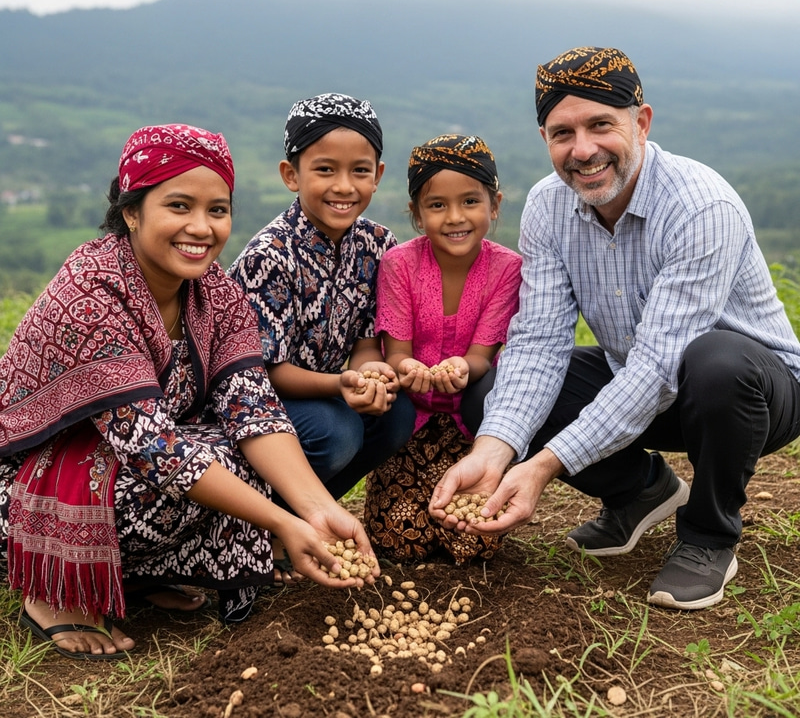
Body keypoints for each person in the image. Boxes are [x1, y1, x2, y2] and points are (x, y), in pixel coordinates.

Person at [430, 46, 800, 610]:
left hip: (749, 396)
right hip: (641, 382)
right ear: (544, 139)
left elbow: (660, 367)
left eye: (601, 125)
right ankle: (640, 492)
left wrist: (543, 467)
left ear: (641, 123)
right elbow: (539, 343)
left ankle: (708, 536)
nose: (583, 150)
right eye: (563, 133)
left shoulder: (700, 207)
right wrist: (494, 450)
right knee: (491, 390)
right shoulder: (548, 206)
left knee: (715, 360)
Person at [0, 124, 378, 661]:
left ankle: (136, 574)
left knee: (244, 454)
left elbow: (254, 407)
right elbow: (153, 449)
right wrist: (281, 522)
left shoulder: (213, 290)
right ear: (132, 212)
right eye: (179, 206)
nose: (201, 228)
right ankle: (54, 590)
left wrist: (316, 510)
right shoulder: (90, 290)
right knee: (183, 474)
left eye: (217, 210)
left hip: (120, 461)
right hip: (28, 486)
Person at [228, 93, 416, 578]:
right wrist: (340, 385)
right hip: (261, 408)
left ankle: (307, 520)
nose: (344, 186)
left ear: (378, 174)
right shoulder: (270, 256)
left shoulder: (377, 244)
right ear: (291, 175)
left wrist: (370, 375)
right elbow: (265, 372)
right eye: (325, 170)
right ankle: (261, 530)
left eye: (360, 171)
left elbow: (365, 344)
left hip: (329, 394)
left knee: (397, 414)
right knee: (338, 431)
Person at [363, 134, 522, 563]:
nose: (455, 217)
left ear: (494, 205)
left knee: (474, 542)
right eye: (437, 205)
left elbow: (482, 357)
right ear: (417, 213)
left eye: (470, 201)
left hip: (474, 425)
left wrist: (462, 368)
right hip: (409, 423)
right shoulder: (400, 264)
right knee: (400, 543)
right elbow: (396, 353)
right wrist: (408, 368)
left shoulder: (507, 268)